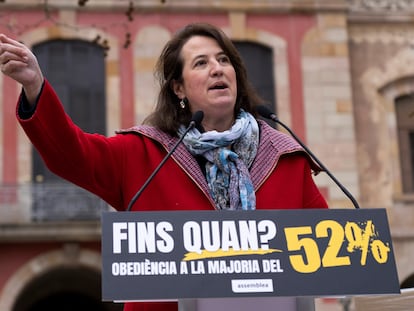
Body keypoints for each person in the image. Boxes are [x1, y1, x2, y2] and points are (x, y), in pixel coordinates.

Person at [0, 23, 328, 311]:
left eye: (223, 59)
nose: (217, 69)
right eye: (201, 63)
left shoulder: (285, 157)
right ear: (179, 88)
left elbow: (331, 252)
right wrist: (35, 86)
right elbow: (71, 154)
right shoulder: (143, 153)